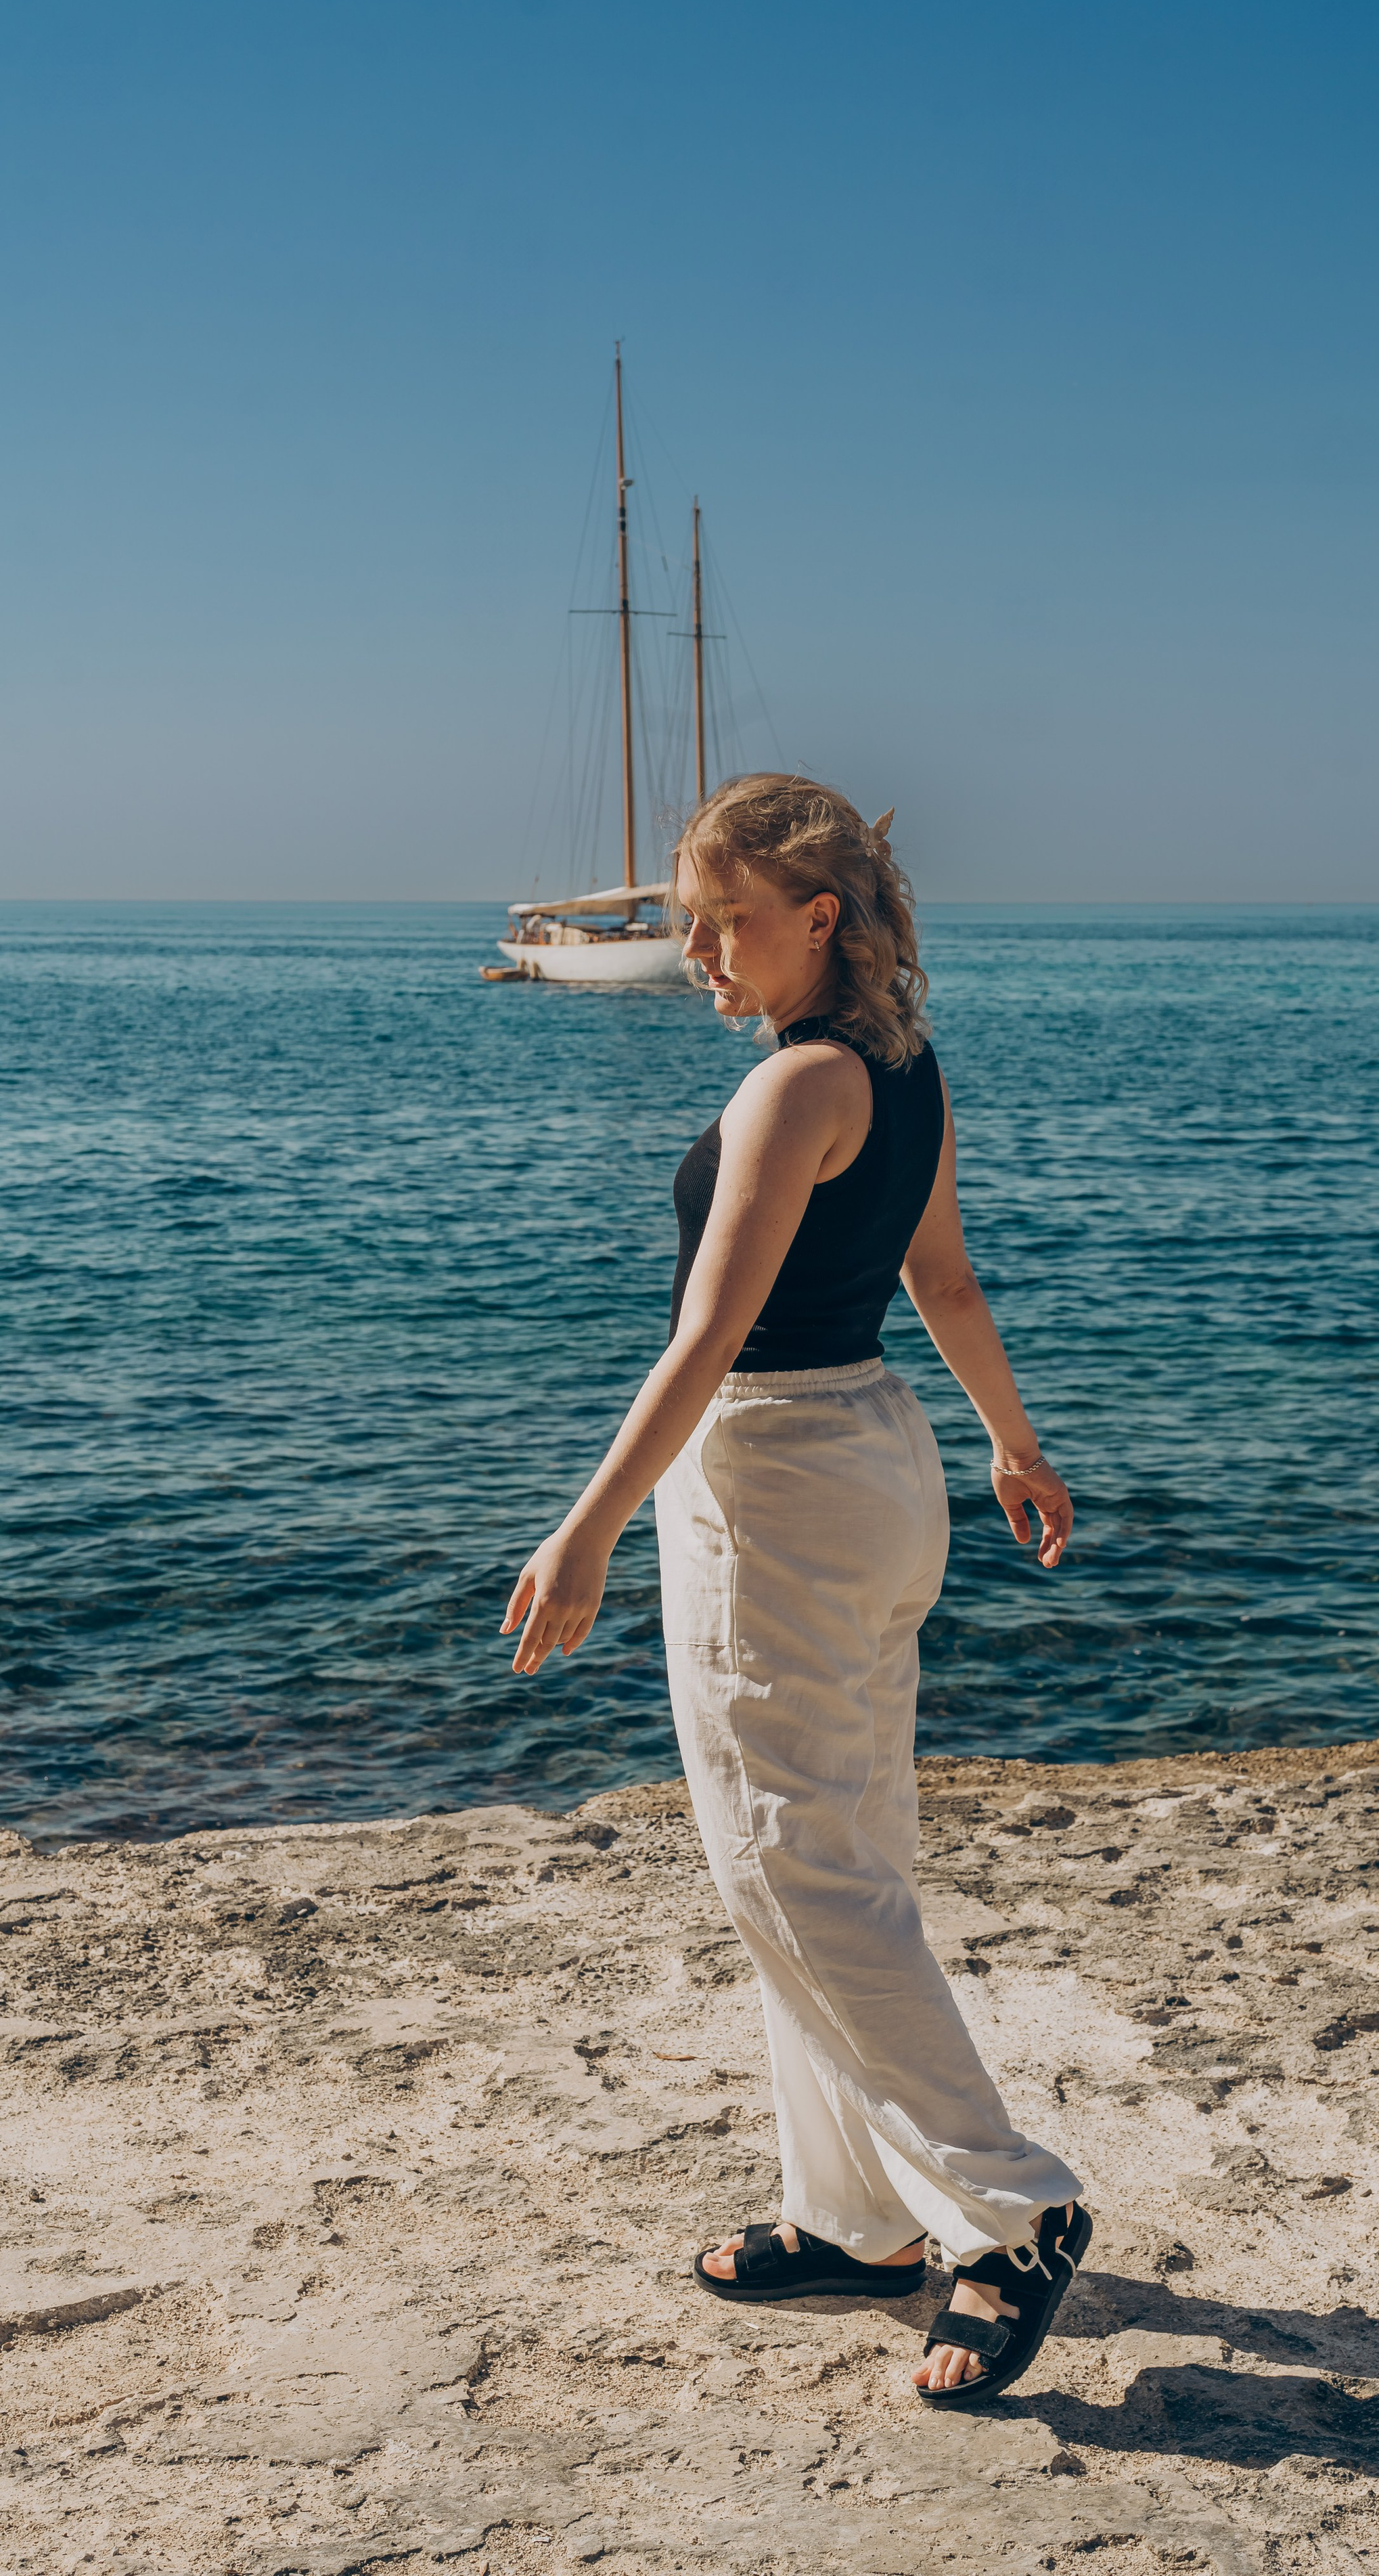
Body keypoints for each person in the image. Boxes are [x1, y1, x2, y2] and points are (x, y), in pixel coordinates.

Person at [502, 774, 1089, 2403]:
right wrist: (1013, 1448)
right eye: (691, 920)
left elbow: (705, 1341)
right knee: (833, 1850)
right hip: (876, 1459)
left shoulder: (793, 1089)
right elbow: (943, 1275)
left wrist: (588, 1527)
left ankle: (1007, 2209)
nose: (697, 949)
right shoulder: (899, 1067)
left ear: (816, 918)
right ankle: (851, 2219)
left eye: (726, 920)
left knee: (789, 1865)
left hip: (775, 1477)